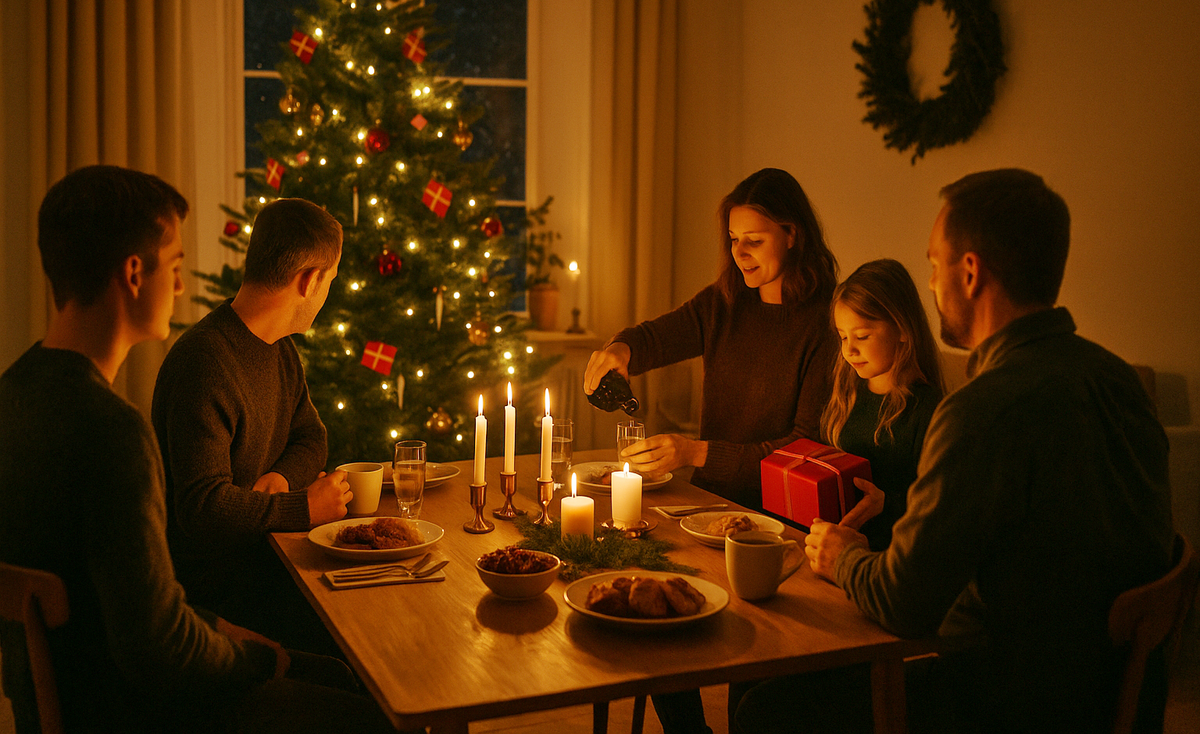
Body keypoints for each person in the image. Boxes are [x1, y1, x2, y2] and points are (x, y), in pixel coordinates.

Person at [740, 169, 1174, 733]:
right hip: (1113, 699)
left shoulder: (982, 411)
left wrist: (843, 554)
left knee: (763, 712)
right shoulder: (1120, 383)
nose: (932, 284)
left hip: (1003, 703)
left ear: (969, 272)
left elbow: (902, 604)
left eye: (933, 265)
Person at [0, 165, 390, 733]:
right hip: (132, 709)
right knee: (372, 706)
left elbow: (138, 609)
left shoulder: (15, 392)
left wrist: (228, 634)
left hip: (80, 691)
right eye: (176, 267)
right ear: (135, 273)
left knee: (339, 669)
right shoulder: (111, 432)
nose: (181, 288)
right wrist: (264, 656)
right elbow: (158, 648)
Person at [151, 198, 351, 656]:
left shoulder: (279, 349)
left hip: (267, 562)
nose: (327, 293)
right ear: (309, 280)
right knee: (359, 649)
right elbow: (200, 508)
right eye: (330, 281)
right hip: (222, 593)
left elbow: (311, 437)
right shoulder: (204, 363)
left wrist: (281, 480)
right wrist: (301, 509)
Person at [583, 167, 840, 511]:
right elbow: (655, 338)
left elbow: (801, 448)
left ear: (792, 234)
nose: (740, 253)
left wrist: (695, 452)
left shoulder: (827, 323)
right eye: (734, 239)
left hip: (779, 511)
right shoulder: (724, 302)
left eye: (755, 240)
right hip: (707, 500)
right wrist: (620, 350)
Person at [821, 258, 944, 551]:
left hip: (884, 560)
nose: (849, 349)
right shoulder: (846, 394)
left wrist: (886, 503)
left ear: (902, 329)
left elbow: (936, 514)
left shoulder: (929, 411)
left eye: (862, 336)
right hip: (834, 550)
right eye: (842, 337)